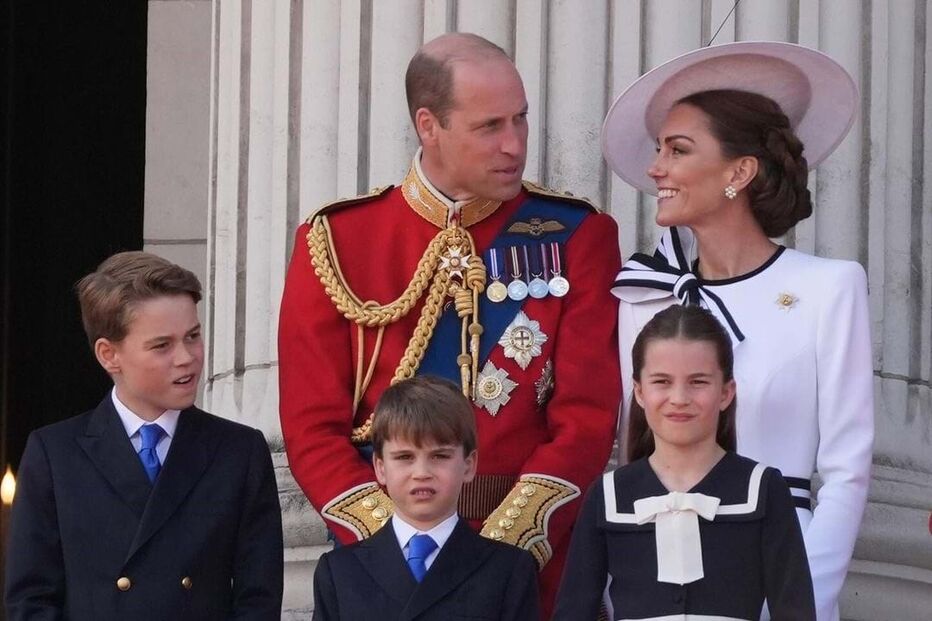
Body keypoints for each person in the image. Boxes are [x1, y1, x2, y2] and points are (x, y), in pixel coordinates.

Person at [278, 32, 620, 616]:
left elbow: (586, 420)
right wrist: (399, 548)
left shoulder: (576, 235)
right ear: (428, 125)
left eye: (521, 120)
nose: (514, 144)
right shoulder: (335, 241)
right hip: (386, 574)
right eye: (489, 126)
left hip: (530, 571)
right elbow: (312, 430)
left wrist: (495, 559)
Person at [603, 42, 873, 620]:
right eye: (659, 150)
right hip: (658, 581)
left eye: (677, 150)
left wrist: (802, 601)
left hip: (777, 571)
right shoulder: (645, 298)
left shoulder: (830, 288)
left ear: (739, 172)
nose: (656, 169)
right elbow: (631, 460)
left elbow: (848, 472)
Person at [4, 252, 284, 620]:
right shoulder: (55, 454)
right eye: (161, 345)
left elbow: (258, 600)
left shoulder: (239, 452)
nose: (186, 357)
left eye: (193, 336)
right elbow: (31, 600)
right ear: (109, 355)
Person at [553, 305, 815, 620]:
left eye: (698, 382)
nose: (679, 398)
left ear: (726, 392)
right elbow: (573, 610)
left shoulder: (763, 489)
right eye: (662, 382)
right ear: (638, 391)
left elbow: (795, 610)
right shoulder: (607, 496)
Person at [312, 376, 539, 620]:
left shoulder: (508, 570)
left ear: (468, 465)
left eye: (440, 456)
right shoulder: (340, 572)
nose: (421, 473)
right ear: (380, 467)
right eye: (404, 457)